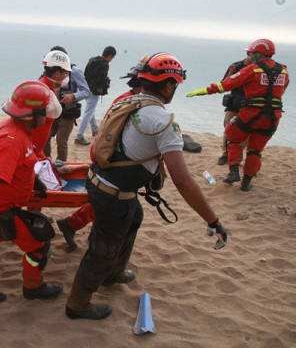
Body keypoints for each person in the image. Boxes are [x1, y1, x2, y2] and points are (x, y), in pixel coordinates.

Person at [66, 53, 229, 320]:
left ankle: (114, 272)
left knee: (134, 217)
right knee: (103, 247)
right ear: (167, 86)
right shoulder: (163, 122)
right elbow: (183, 181)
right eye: (174, 85)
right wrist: (213, 220)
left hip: (99, 181)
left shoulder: (127, 101)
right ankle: (78, 304)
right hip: (112, 193)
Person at [0, 81, 63, 307]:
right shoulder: (12, 140)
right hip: (0, 209)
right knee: (38, 246)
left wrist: (33, 180)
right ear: (32, 115)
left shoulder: (14, 128)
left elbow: (18, 163)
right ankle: (33, 287)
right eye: (43, 114)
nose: (46, 119)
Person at [56, 61, 144, 252]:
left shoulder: (129, 100)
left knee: (110, 206)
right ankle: (74, 227)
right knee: (116, 209)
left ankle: (71, 224)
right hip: (113, 162)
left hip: (108, 159)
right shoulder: (133, 104)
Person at [186, 39, 289, 191]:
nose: (250, 55)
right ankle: (246, 183)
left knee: (232, 136)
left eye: (251, 53)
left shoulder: (252, 69)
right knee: (255, 150)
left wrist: (203, 91)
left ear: (259, 54)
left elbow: (225, 84)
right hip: (273, 117)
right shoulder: (284, 71)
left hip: (251, 113)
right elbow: (281, 90)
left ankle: (234, 171)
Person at [44, 46, 91, 165]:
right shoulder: (49, 70)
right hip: (53, 110)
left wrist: (73, 96)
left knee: (61, 140)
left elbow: (86, 91)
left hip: (68, 113)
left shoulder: (74, 71)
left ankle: (60, 165)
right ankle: (47, 162)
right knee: (45, 137)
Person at [75, 46, 116, 145]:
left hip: (85, 88)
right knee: (88, 112)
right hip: (94, 91)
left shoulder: (92, 59)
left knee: (90, 109)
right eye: (112, 58)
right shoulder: (104, 64)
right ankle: (79, 136)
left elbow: (86, 74)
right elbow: (101, 79)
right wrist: (105, 85)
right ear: (110, 56)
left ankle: (95, 129)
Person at [35, 50, 69, 160]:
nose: (66, 76)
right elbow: (35, 124)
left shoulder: (46, 86)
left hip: (38, 148)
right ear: (57, 73)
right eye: (65, 73)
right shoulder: (44, 90)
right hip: (35, 147)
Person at [217, 58, 250, 165]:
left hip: (250, 104)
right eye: (250, 53)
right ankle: (225, 154)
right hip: (235, 102)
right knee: (227, 127)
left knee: (247, 131)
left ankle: (237, 156)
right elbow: (223, 83)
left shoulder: (260, 68)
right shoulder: (236, 66)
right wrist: (231, 74)